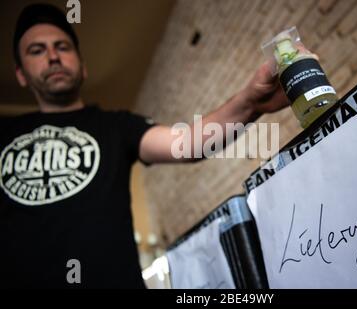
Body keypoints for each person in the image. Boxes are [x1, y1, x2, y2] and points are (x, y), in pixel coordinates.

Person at [0, 3, 289, 288]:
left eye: (62, 47)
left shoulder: (116, 126)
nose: (53, 56)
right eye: (37, 50)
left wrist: (250, 103)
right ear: (22, 74)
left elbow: (187, 144)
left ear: (83, 67)